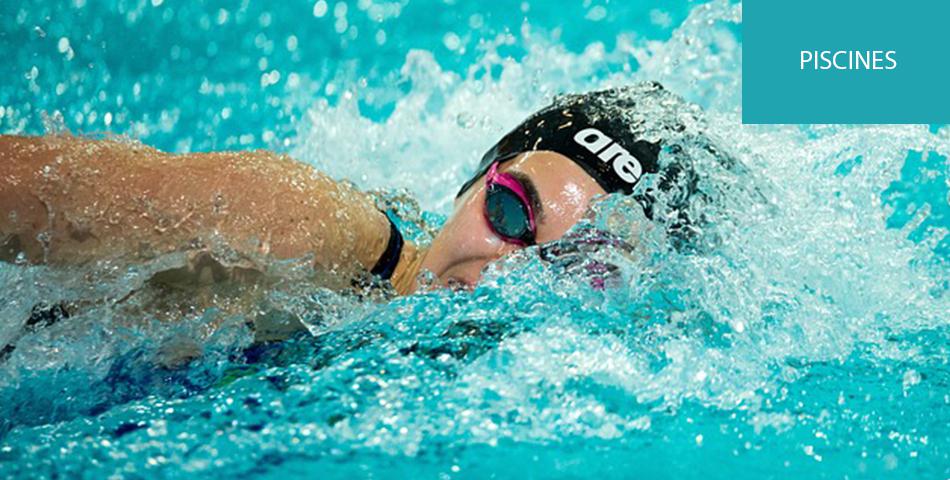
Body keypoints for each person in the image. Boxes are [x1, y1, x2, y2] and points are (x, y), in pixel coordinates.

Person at [0, 82, 716, 344]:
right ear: (475, 181)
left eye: (579, 270)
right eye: (510, 210)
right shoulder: (309, 230)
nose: (506, 274)